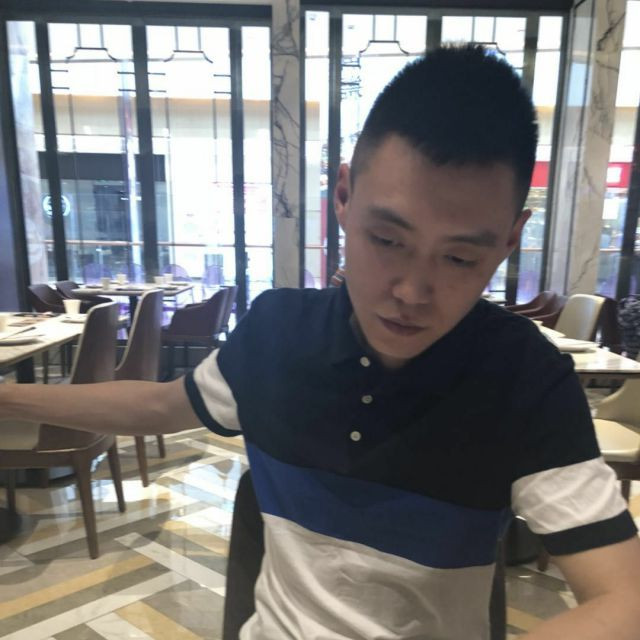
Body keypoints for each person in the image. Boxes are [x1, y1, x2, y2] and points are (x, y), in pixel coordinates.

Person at [2, 45, 640, 640]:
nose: (412, 291)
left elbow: (625, 599)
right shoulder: (277, 332)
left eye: (459, 258)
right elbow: (162, 404)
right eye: (386, 240)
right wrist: (10, 399)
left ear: (509, 240)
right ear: (343, 197)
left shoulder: (522, 380)